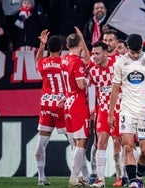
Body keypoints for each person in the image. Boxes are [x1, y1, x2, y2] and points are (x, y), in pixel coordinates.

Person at [108, 34, 145, 188]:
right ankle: (133, 182)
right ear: (128, 48)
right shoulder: (120, 63)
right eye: (133, 52)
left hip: (144, 112)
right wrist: (111, 113)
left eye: (137, 53)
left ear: (142, 47)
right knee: (128, 147)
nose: (135, 55)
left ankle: (138, 176)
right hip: (127, 111)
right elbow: (115, 89)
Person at [34, 29, 73, 186]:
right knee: (74, 143)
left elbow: (38, 59)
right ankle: (77, 175)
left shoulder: (43, 63)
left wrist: (41, 45)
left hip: (46, 105)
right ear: (62, 47)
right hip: (61, 105)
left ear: (48, 48)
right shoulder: (64, 62)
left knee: (40, 145)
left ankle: (41, 178)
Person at [88, 41, 122, 187]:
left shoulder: (117, 65)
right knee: (101, 141)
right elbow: (90, 89)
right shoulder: (92, 71)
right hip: (102, 109)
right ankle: (100, 179)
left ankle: (121, 177)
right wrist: (92, 108)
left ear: (105, 53)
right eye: (93, 53)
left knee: (117, 142)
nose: (94, 56)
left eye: (97, 53)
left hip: (119, 108)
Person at [61, 26, 91, 187]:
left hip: (68, 103)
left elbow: (86, 60)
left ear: (67, 46)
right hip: (78, 103)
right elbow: (80, 84)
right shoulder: (77, 62)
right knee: (82, 141)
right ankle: (74, 177)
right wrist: (87, 81)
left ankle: (83, 177)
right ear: (79, 44)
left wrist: (82, 43)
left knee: (75, 141)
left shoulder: (64, 60)